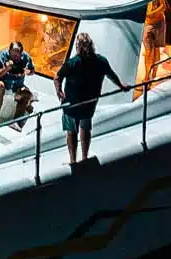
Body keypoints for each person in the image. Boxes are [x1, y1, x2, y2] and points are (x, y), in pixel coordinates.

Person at [54, 31, 126, 166]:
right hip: (89, 103)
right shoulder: (101, 61)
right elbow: (111, 74)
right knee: (85, 128)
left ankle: (73, 161)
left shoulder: (72, 63)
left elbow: (57, 77)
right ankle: (84, 158)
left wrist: (59, 91)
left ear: (78, 46)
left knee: (71, 132)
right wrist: (121, 86)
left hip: (72, 105)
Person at [0, 39, 35, 128]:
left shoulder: (25, 57)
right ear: (9, 51)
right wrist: (5, 69)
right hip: (3, 81)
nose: (16, 58)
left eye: (18, 56)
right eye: (14, 55)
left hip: (17, 85)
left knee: (27, 94)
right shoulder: (1, 56)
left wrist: (28, 72)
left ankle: (16, 121)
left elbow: (32, 70)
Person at [142, 0, 169, 85]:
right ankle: (147, 76)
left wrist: (151, 13)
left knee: (157, 50)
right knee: (149, 52)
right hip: (147, 24)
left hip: (159, 23)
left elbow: (163, 6)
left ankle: (154, 74)